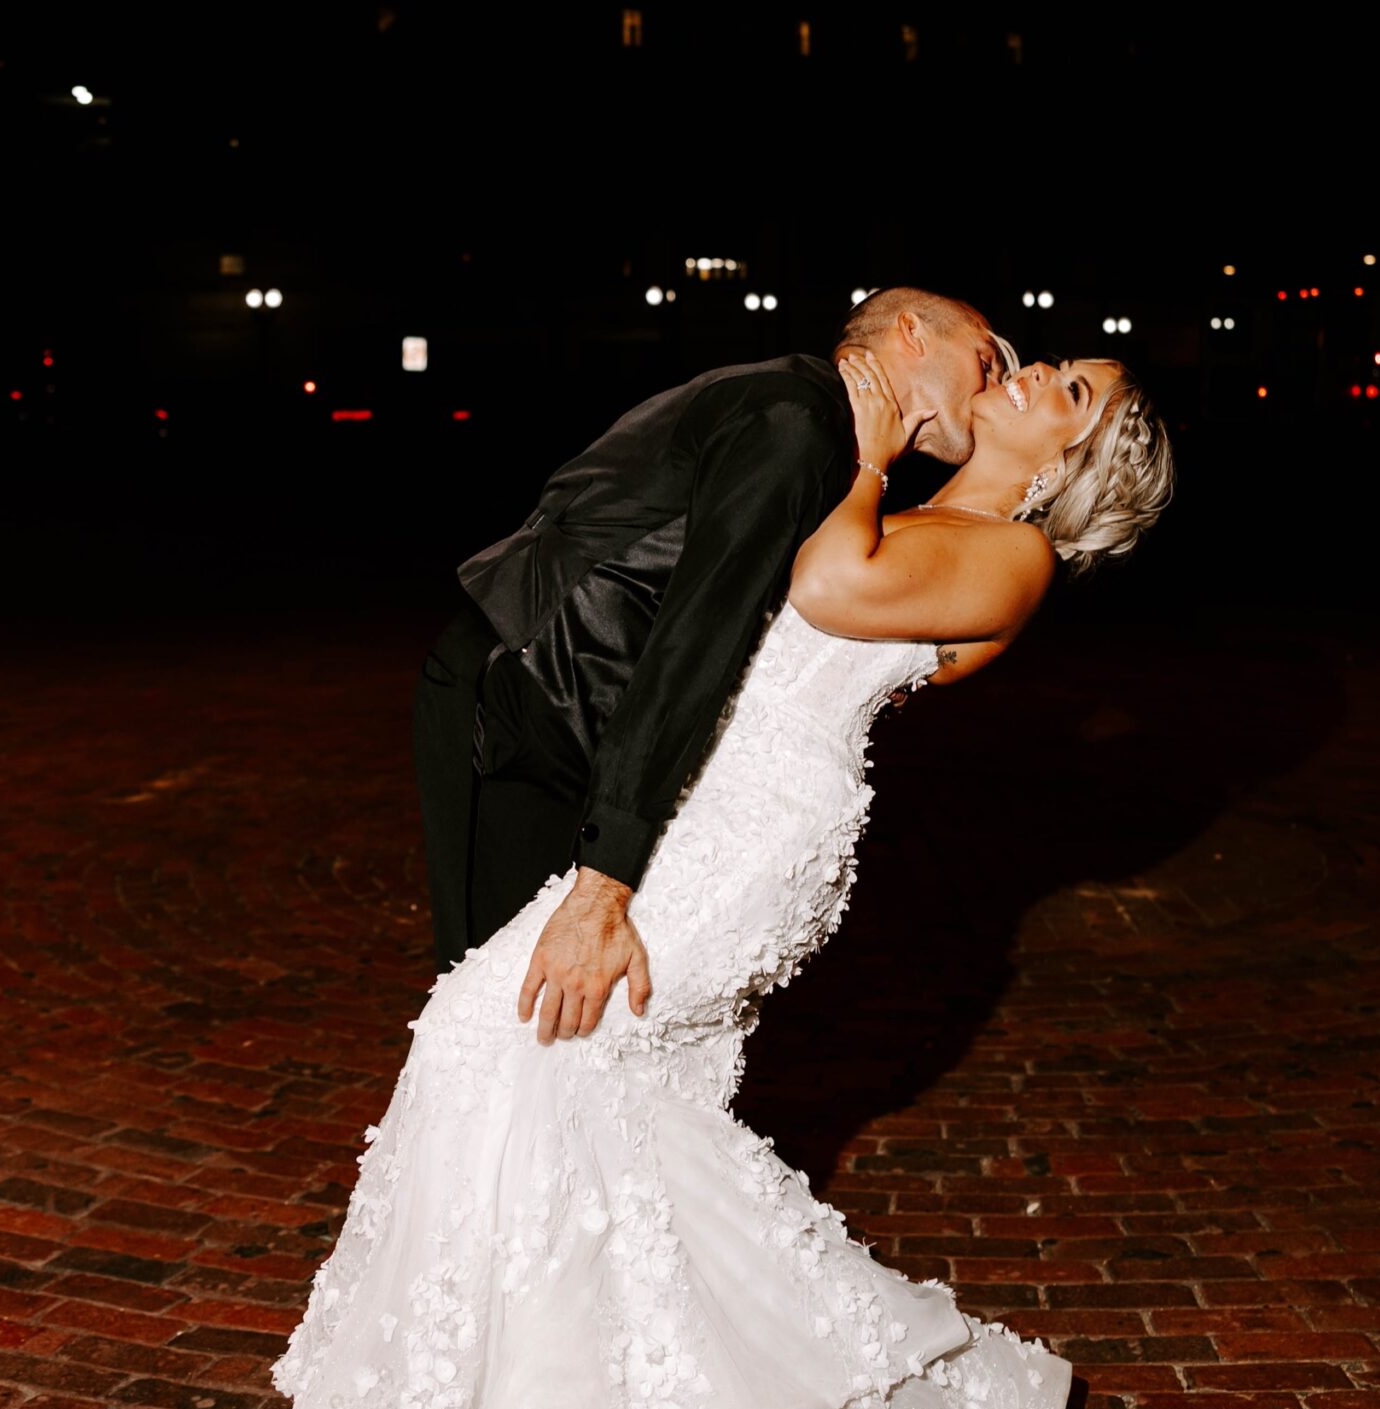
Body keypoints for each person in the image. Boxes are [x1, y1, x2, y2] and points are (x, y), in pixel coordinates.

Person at [271, 336, 1173, 1409]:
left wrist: (869, 433)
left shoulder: (1011, 558)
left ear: (1075, 461)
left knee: (496, 1041)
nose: (1038, 371)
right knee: (618, 1128)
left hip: (750, 840)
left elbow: (823, 579)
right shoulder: (938, 520)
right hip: (711, 814)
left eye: (1073, 390)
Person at [412, 289, 1014, 1035]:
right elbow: (694, 634)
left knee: (567, 1027)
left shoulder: (821, 429)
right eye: (986, 360)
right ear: (912, 332)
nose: (996, 385)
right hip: (524, 705)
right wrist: (607, 880)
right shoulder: (794, 424)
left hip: (585, 723)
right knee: (503, 1019)